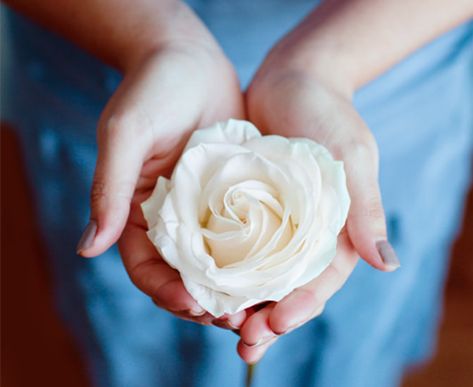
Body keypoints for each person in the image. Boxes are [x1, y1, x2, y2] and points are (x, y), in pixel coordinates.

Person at [2, 1, 472, 386]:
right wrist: (154, 40)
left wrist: (325, 65)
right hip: (110, 67)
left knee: (355, 338)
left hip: (389, 62)